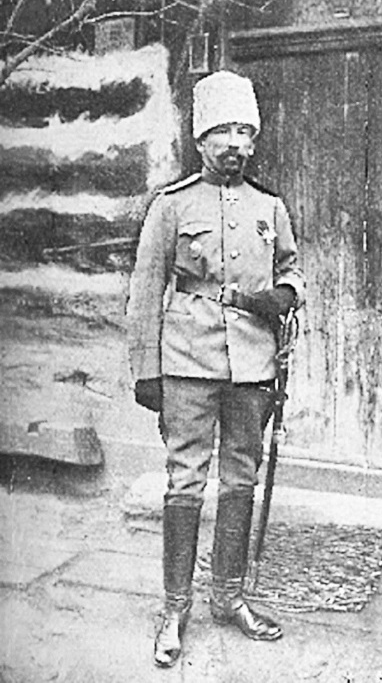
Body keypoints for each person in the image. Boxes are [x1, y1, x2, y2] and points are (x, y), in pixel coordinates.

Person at [127, 70, 306, 668]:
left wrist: (284, 293)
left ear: (254, 141)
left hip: (252, 363)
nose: (234, 143)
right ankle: (174, 609)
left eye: (244, 132)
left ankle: (228, 598)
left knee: (240, 481)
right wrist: (146, 370)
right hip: (187, 359)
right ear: (201, 139)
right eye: (222, 132)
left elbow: (291, 268)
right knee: (184, 482)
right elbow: (145, 290)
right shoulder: (172, 205)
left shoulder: (269, 206)